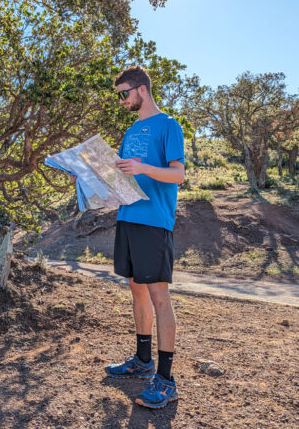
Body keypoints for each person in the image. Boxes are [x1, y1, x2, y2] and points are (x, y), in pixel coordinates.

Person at [104, 65, 185, 409]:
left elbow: (178, 175)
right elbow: (125, 179)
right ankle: (142, 361)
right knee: (136, 290)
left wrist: (143, 168)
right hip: (129, 217)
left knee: (158, 296)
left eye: (124, 93)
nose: (121, 100)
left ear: (141, 90)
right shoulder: (129, 131)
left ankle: (166, 381)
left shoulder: (169, 125)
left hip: (154, 222)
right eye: (119, 95)